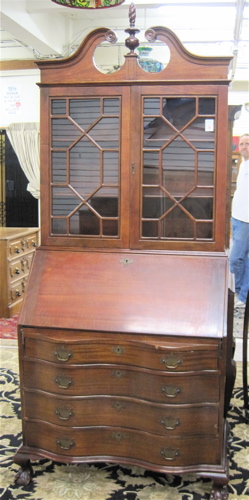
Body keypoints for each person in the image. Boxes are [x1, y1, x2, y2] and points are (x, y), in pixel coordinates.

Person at [230, 133, 249, 308]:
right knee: (244, 258)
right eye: (242, 144)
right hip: (236, 216)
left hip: (246, 220)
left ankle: (239, 294)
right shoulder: (243, 164)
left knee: (236, 258)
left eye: (247, 144)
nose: (243, 147)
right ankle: (243, 295)